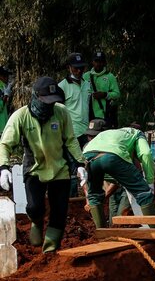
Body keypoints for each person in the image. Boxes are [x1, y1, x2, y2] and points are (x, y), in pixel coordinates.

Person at [0, 77, 87, 253]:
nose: (50, 105)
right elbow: (5, 143)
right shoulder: (21, 116)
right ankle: (37, 222)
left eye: (53, 102)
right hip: (34, 169)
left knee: (59, 211)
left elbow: (70, 139)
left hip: (59, 168)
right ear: (35, 97)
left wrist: (80, 164)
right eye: (46, 101)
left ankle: (50, 251)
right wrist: (3, 167)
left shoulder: (61, 112)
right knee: (34, 206)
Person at [82, 119, 155, 228]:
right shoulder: (138, 134)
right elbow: (146, 154)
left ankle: (102, 234)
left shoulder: (111, 135)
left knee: (94, 195)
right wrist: (150, 182)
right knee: (143, 192)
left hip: (88, 156)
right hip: (112, 156)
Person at [58, 52, 91, 148]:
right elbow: (58, 112)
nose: (79, 71)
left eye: (81, 68)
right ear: (69, 68)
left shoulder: (87, 84)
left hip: (86, 131)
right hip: (71, 133)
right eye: (76, 68)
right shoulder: (62, 86)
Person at [83, 50, 121, 128]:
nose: (98, 64)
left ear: (104, 62)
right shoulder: (86, 76)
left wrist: (105, 94)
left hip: (105, 115)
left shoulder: (110, 76)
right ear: (92, 62)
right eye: (96, 61)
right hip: (88, 115)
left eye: (101, 61)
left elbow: (117, 94)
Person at [0, 66, 11, 135]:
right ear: (0, 76)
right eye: (5, 76)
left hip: (3, 124)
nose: (7, 78)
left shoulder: (3, 87)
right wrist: (6, 95)